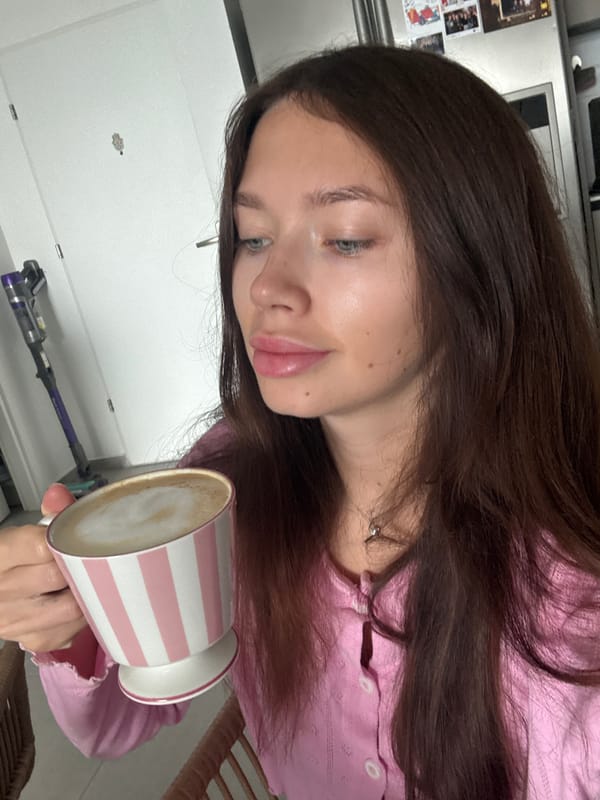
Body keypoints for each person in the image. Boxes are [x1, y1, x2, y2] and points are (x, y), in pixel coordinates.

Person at [1, 44, 600, 800]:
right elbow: (112, 728)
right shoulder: (223, 486)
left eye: (345, 237)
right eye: (253, 238)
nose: (267, 289)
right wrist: (69, 628)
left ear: (479, 263)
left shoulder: (570, 601)